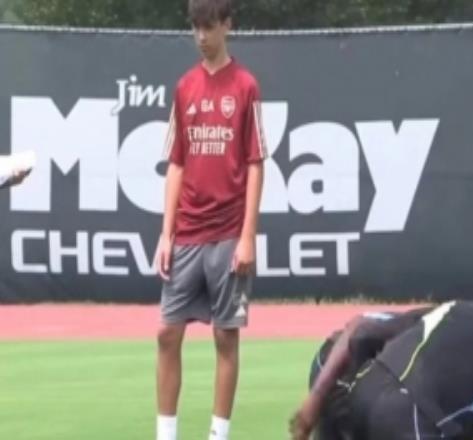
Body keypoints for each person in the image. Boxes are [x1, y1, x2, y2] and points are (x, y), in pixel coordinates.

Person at [154, 1, 267, 439]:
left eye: (209, 27)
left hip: (228, 234)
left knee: (225, 337)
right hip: (187, 233)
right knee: (167, 333)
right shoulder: (185, 87)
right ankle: (166, 434)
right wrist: (166, 235)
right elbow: (176, 164)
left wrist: (248, 236)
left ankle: (218, 435)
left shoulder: (246, 86)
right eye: (196, 28)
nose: (201, 36)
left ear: (226, 26)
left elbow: (256, 163)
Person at [291, 301, 473, 440]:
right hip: (398, 403)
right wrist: (315, 401)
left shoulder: (457, 312)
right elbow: (360, 329)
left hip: (367, 387)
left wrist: (313, 403)